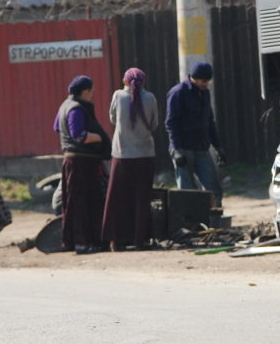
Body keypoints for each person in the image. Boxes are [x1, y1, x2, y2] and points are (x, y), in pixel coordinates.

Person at [101, 67, 159, 251]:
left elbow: (112, 119)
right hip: (145, 155)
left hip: (122, 155)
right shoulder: (150, 98)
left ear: (125, 81)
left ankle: (116, 241)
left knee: (118, 198)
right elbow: (154, 124)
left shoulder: (118, 96)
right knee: (142, 198)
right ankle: (141, 240)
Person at [54, 75, 111, 254]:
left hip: (74, 161)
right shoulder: (76, 109)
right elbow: (78, 135)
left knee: (74, 203)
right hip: (81, 163)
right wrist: (99, 137)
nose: (92, 94)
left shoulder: (64, 105)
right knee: (82, 204)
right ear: (85, 91)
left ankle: (73, 242)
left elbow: (57, 127)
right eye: (91, 91)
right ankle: (83, 243)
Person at [165, 61, 226, 208]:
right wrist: (177, 150)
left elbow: (209, 121)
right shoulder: (178, 92)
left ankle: (213, 228)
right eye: (204, 81)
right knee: (188, 193)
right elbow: (171, 123)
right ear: (194, 78)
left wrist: (218, 146)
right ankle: (193, 229)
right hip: (183, 149)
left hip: (201, 148)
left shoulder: (204, 93)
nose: (207, 84)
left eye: (208, 81)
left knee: (214, 190)